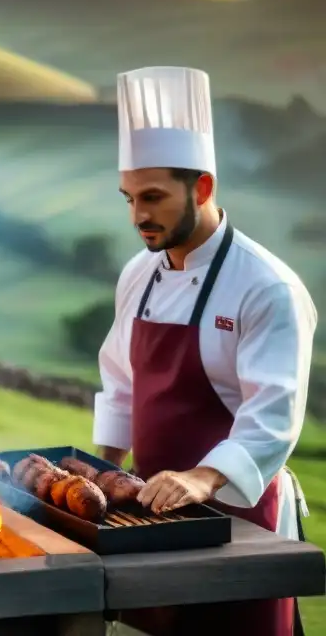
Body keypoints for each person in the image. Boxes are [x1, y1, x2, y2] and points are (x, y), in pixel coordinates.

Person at [94, 66, 316, 636]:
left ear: (203, 188)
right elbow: (122, 384)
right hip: (153, 518)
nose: (138, 216)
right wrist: (98, 479)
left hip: (240, 523)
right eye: (129, 199)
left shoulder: (267, 287)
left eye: (153, 198)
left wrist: (203, 477)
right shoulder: (138, 276)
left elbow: (273, 418)